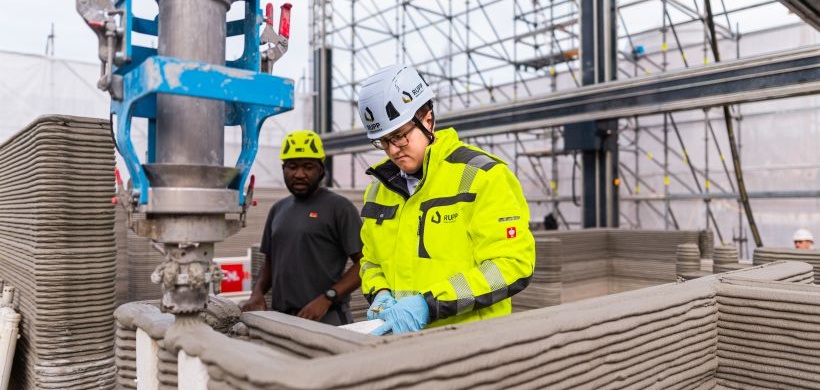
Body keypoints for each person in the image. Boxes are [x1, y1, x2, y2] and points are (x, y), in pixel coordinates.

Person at [356, 64, 535, 335]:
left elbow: (512, 264)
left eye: (400, 136)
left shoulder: (484, 176)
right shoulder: (378, 190)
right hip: (402, 344)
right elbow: (370, 261)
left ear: (428, 120)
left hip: (470, 344)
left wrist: (430, 304)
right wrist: (379, 291)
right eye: (383, 141)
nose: (393, 150)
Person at [241, 130, 363, 326]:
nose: (299, 174)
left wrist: (327, 297)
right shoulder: (278, 209)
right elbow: (270, 263)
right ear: (283, 169)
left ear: (321, 170)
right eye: (292, 166)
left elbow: (365, 264)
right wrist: (257, 293)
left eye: (308, 167)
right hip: (282, 318)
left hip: (327, 318)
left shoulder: (340, 208)